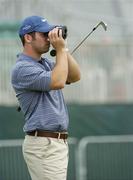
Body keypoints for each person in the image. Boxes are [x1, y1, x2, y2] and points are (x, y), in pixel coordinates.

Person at [11, 15, 81, 180]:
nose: (49, 38)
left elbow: (75, 76)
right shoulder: (22, 68)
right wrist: (60, 50)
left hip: (53, 144)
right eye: (44, 34)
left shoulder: (45, 64)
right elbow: (57, 81)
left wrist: (62, 49)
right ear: (28, 37)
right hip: (44, 144)